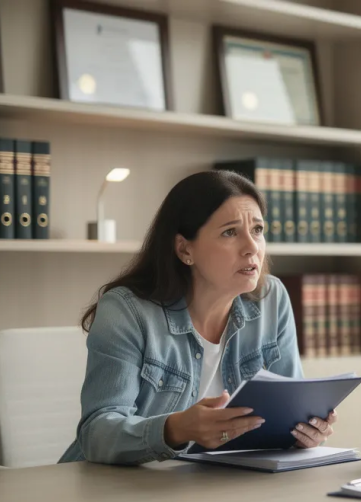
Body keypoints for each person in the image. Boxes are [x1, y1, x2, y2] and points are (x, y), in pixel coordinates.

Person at [60, 170, 337, 465]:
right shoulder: (127, 311)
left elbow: (289, 411)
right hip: (115, 491)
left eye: (257, 230)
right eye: (230, 232)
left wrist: (304, 433)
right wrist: (175, 429)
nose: (252, 247)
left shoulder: (272, 298)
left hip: (218, 485)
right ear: (184, 249)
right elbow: (97, 434)